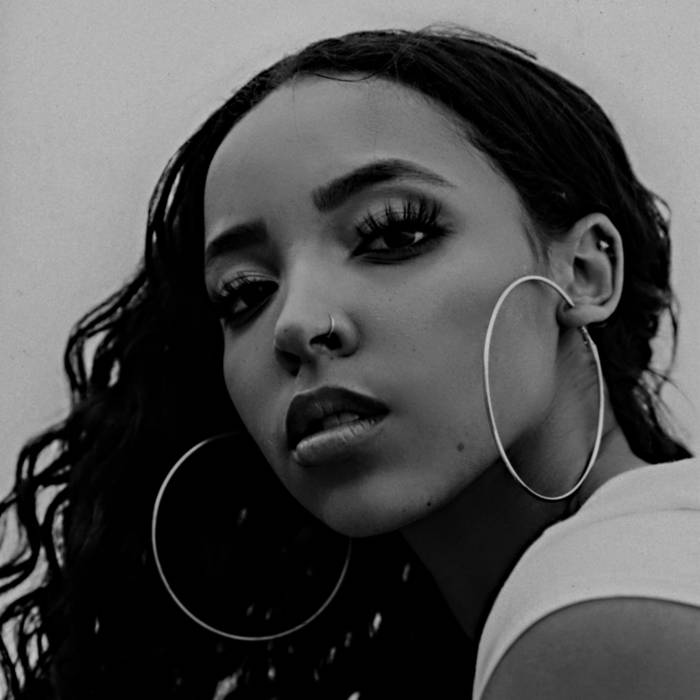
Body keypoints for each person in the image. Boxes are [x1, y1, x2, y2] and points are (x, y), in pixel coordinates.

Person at [0, 24, 696, 699]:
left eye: (393, 234)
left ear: (584, 273)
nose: (296, 324)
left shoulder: (604, 617)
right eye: (244, 293)